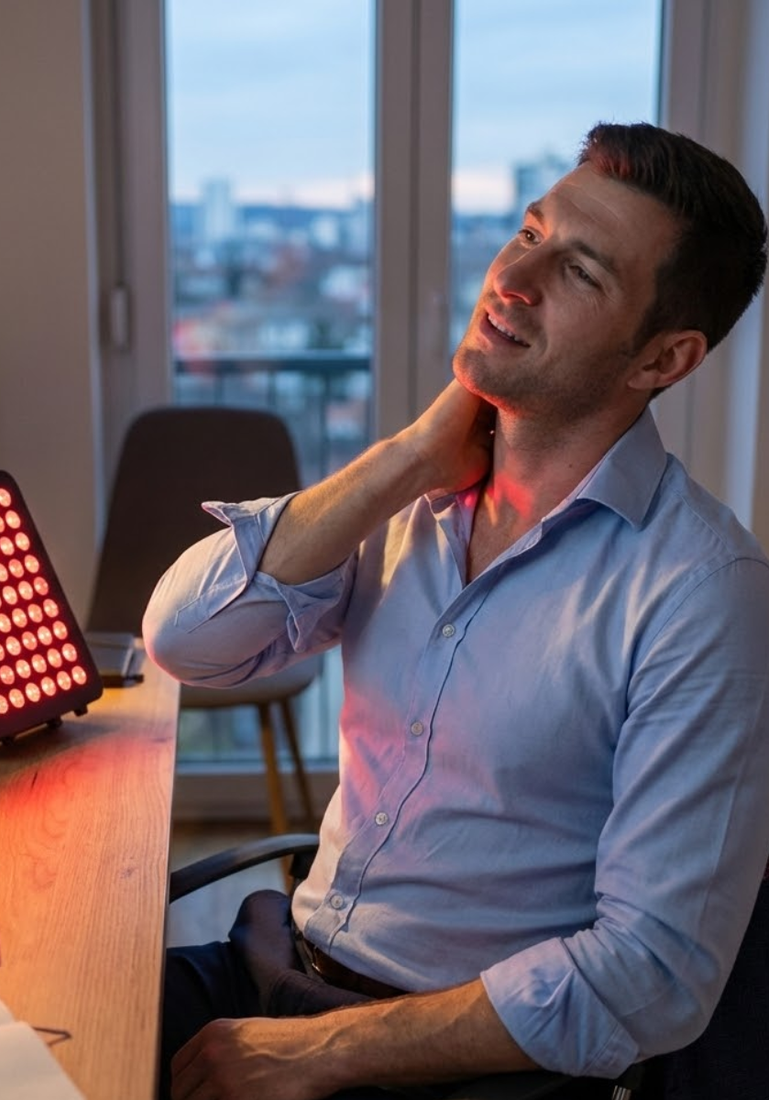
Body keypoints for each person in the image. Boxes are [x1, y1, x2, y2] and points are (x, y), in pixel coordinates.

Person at [142, 121, 769, 1100]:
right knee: (10, 1037)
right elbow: (188, 642)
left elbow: (651, 975)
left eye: (580, 272)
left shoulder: (699, 588)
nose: (512, 279)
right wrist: (405, 458)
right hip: (282, 966)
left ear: (661, 359)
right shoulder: (413, 500)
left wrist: (321, 1051)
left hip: (455, 1054)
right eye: (529, 233)